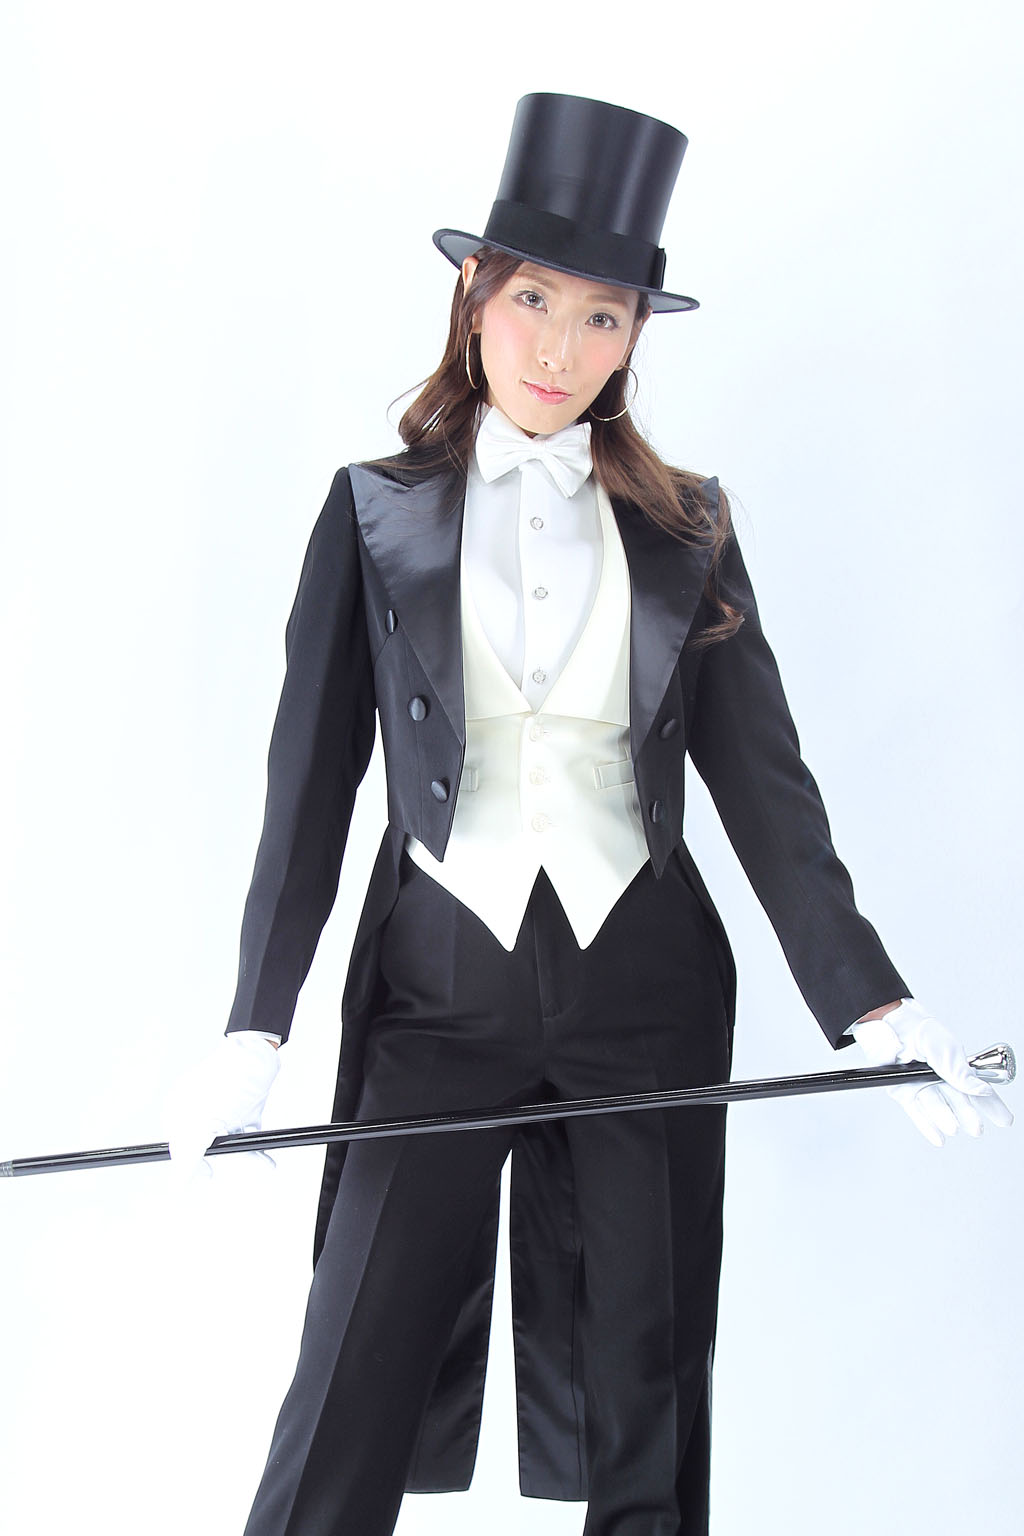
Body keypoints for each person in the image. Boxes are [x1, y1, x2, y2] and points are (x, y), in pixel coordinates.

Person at [167, 93, 1012, 1536]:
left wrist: (878, 1011)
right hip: (438, 994)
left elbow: (767, 786)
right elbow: (306, 786)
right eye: (534, 302)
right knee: (347, 1389)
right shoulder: (370, 513)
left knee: (649, 1408)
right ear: (474, 299)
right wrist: (255, 1031)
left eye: (603, 318)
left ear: (634, 340)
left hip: (649, 995)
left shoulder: (691, 525)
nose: (559, 350)